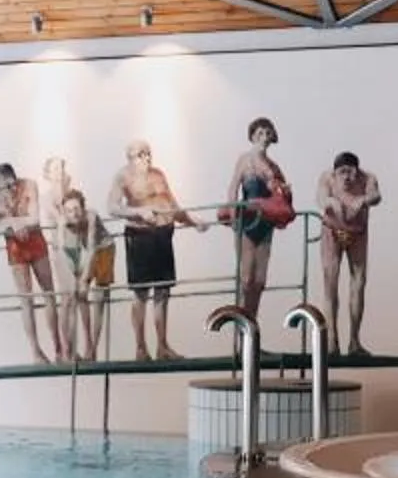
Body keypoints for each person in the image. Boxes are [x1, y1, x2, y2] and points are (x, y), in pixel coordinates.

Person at [108, 139, 201, 360]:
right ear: (130, 157)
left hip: (163, 234)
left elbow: (173, 205)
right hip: (140, 236)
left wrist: (193, 222)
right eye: (141, 154)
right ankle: (140, 347)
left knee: (163, 291)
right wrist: (138, 212)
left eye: (148, 153)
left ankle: (162, 345)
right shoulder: (123, 176)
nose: (146, 158)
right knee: (141, 292)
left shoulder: (158, 174)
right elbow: (112, 206)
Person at [217, 118, 293, 325]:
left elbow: (283, 196)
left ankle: (251, 326)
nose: (264, 137)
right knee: (246, 278)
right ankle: (241, 334)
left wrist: (285, 190)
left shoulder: (274, 167)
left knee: (259, 281)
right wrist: (233, 216)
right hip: (247, 222)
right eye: (260, 133)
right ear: (253, 136)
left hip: (265, 223)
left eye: (268, 134)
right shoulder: (245, 160)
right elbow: (233, 187)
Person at [0, 162, 62, 363]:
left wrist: (17, 223)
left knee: (49, 292)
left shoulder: (29, 185)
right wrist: (12, 225)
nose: (12, 189)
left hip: (35, 240)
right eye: (6, 186)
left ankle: (59, 348)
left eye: (13, 184)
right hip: (15, 247)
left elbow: (34, 217)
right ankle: (36, 352)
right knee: (26, 299)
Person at [317, 151, 382, 355]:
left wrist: (363, 200)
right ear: (335, 173)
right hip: (332, 231)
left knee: (359, 282)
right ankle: (332, 340)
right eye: (342, 172)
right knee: (331, 284)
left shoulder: (368, 178)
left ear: (357, 171)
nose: (346, 177)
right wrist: (331, 202)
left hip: (357, 233)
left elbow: (376, 196)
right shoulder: (327, 177)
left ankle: (354, 341)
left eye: (350, 172)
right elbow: (321, 198)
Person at [53, 184, 105, 362]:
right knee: (67, 298)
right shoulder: (61, 222)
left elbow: (91, 248)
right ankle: (66, 349)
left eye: (76, 209)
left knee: (83, 296)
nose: (73, 213)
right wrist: (69, 278)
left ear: (82, 207)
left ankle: (89, 345)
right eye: (69, 210)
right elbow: (59, 251)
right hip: (66, 251)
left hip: (84, 249)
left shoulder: (90, 216)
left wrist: (83, 279)